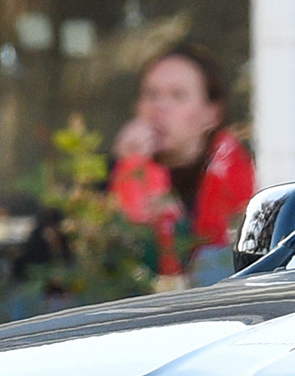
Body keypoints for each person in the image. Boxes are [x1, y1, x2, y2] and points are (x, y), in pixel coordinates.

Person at [108, 42, 256, 277]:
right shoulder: (107, 175)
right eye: (151, 94)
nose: (159, 107)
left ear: (212, 113)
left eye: (178, 96)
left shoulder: (240, 175)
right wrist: (124, 169)